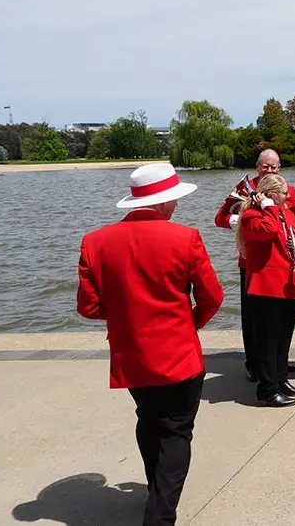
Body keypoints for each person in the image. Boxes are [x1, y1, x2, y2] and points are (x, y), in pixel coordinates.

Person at [77, 163, 223, 526]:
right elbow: (212, 297)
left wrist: (128, 319)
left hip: (131, 356)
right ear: (165, 201)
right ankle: (160, 515)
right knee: (176, 430)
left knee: (149, 418)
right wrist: (191, 323)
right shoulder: (185, 237)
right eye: (173, 199)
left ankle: (156, 487)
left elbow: (88, 306)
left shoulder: (95, 242)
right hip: (178, 353)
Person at [214, 148, 295, 381]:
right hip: (253, 262)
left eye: (274, 167)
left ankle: (276, 364)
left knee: (280, 320)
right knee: (254, 318)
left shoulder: (287, 189)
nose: (269, 170)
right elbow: (220, 218)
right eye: (265, 166)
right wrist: (245, 220)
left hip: (282, 261)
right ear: (257, 166)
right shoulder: (244, 189)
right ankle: (254, 363)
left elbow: (293, 221)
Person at [236, 174, 295, 408]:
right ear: (269, 195)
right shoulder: (251, 216)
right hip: (267, 285)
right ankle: (267, 389)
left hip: (289, 281)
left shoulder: (286, 212)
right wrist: (267, 207)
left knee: (283, 337)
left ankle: (280, 379)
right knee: (268, 340)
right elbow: (268, 230)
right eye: (283, 193)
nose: (288, 197)